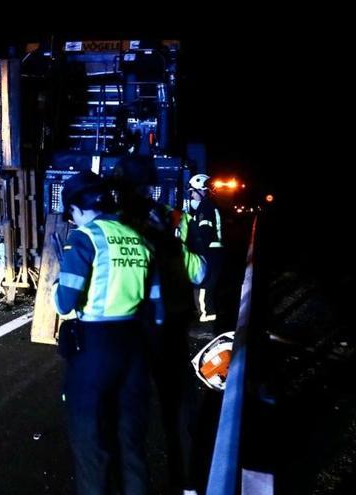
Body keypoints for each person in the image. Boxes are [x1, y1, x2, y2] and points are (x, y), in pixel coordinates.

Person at [53, 170, 161, 495]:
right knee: (130, 439)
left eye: (70, 214)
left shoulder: (84, 238)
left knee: (90, 441)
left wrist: (58, 284)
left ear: (77, 207)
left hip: (95, 348)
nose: (72, 221)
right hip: (134, 344)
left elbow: (64, 302)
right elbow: (157, 306)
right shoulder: (138, 238)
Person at [111, 155, 207, 494]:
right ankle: (190, 481)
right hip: (170, 322)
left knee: (127, 411)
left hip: (134, 326)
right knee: (178, 405)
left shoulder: (117, 224)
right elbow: (198, 270)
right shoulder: (167, 218)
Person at [186, 173, 224, 326]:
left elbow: (204, 233)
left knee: (203, 288)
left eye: (194, 191)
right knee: (206, 288)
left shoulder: (205, 207)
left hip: (210, 253)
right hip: (215, 253)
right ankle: (208, 322)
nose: (192, 195)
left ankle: (207, 327)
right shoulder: (210, 205)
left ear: (202, 190)